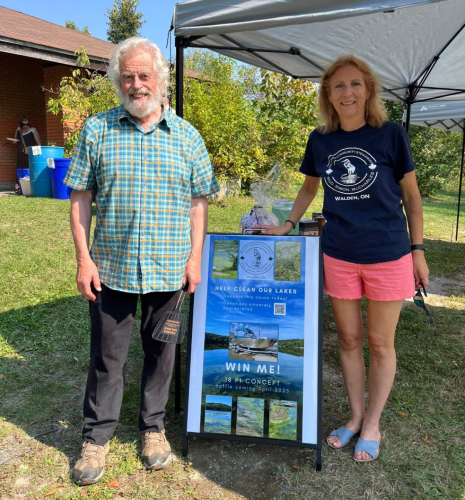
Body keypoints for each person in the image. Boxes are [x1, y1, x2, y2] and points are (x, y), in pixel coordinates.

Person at [255, 55, 429, 462]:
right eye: (338, 86)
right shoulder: (321, 141)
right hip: (338, 254)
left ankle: (373, 423)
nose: (346, 92)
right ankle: (354, 418)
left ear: (368, 90)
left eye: (354, 84)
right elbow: (309, 188)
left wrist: (418, 251)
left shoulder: (391, 135)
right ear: (328, 96)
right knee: (349, 340)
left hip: (388, 253)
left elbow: (413, 197)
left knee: (380, 343)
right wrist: (287, 224)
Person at [63, 36, 219, 485]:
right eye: (127, 76)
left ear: (160, 78)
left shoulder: (187, 137)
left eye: (143, 75)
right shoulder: (98, 130)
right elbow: (80, 199)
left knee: (162, 353)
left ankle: (153, 429)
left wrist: (194, 259)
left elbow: (198, 205)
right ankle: (96, 437)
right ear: (117, 81)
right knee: (107, 358)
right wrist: (83, 259)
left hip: (169, 270)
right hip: (110, 269)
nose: (135, 84)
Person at [14, 116, 40, 192]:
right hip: (20, 151)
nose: (25, 126)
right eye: (23, 124)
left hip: (30, 151)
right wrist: (14, 141)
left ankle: (30, 185)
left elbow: (38, 141)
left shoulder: (33, 130)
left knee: (29, 167)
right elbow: (15, 138)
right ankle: (18, 185)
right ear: (21, 124)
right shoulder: (18, 130)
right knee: (19, 167)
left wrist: (38, 151)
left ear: (29, 124)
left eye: (27, 124)